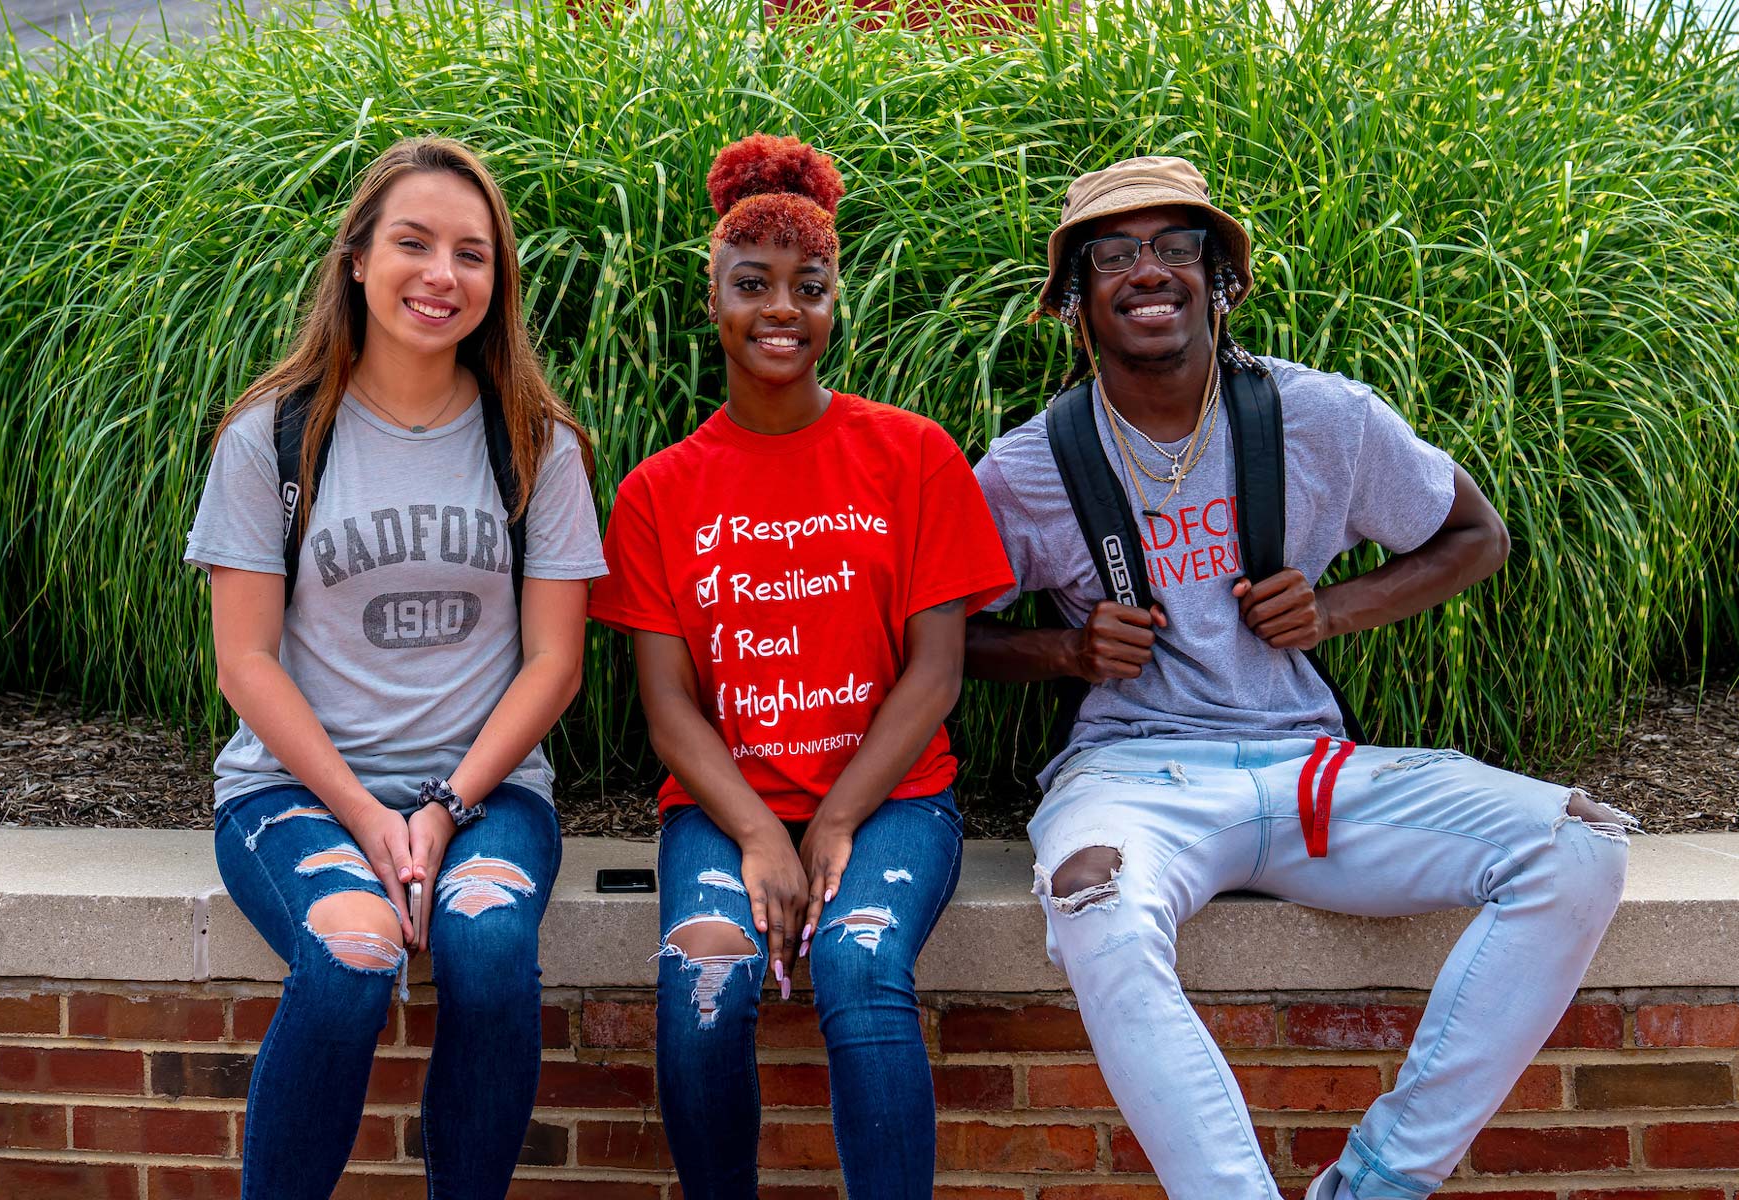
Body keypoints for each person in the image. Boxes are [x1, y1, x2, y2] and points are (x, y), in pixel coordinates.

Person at [964, 155, 1634, 1200]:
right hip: (1136, 780)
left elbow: (1477, 534)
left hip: (1313, 768)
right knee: (1093, 901)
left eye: (1177, 247)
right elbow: (928, 639)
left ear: (1219, 278)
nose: (1150, 270)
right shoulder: (1027, 468)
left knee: (1576, 847)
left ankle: (1375, 1182)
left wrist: (1334, 609)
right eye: (1114, 253)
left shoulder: (1322, 417)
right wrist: (1063, 649)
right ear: (1075, 301)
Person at [589, 133, 1013, 1200]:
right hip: (723, 806)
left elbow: (936, 672)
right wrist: (756, 833)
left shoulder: (912, 455)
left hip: (895, 804)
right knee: (704, 982)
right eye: (753, 284)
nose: (781, 308)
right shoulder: (656, 492)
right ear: (715, 301)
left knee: (860, 970)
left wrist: (830, 822)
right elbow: (670, 707)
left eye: (807, 286)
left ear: (834, 305)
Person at [184, 137, 604, 1200]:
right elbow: (246, 662)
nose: (441, 275)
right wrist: (370, 820)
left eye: (472, 254)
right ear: (358, 259)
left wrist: (445, 807)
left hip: (489, 792)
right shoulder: (269, 438)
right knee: (353, 958)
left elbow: (555, 663)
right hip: (295, 795)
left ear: (495, 282)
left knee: (489, 948)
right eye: (413, 243)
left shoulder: (536, 443)